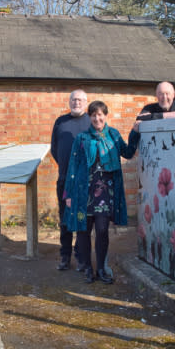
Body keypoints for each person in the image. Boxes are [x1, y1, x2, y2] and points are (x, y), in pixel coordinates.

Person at [63, 100, 140, 284]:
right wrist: (69, 194)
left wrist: (135, 132)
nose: (97, 118)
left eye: (100, 114)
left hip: (105, 194)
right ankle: (88, 269)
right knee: (83, 232)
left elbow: (128, 153)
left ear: (106, 115)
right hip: (83, 193)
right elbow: (72, 167)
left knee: (103, 231)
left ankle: (101, 269)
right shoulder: (82, 138)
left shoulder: (113, 135)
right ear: (89, 117)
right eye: (94, 115)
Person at [50, 89, 92, 271]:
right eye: (74, 99)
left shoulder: (91, 121)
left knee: (83, 220)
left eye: (80, 100)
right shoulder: (60, 122)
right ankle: (65, 255)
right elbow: (54, 149)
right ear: (69, 101)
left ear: (86, 102)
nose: (77, 102)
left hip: (85, 183)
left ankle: (81, 256)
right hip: (64, 180)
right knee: (65, 219)